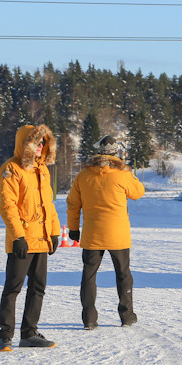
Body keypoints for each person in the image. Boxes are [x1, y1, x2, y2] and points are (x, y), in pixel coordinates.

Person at [67, 135, 145, 329]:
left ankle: (89, 319)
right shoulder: (122, 174)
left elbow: (73, 204)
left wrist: (73, 228)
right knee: (123, 274)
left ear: (98, 152)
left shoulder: (83, 175)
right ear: (116, 153)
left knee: (89, 275)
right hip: (117, 233)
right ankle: (127, 316)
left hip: (92, 233)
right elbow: (138, 193)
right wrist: (129, 171)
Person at [0, 124, 61, 351]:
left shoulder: (43, 170)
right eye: (36, 142)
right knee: (13, 288)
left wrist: (55, 231)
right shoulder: (11, 168)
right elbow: (8, 206)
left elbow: (49, 205)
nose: (40, 146)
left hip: (41, 240)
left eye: (43, 142)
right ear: (25, 144)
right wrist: (18, 237)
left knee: (38, 287)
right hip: (22, 240)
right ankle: (6, 336)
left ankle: (29, 333)